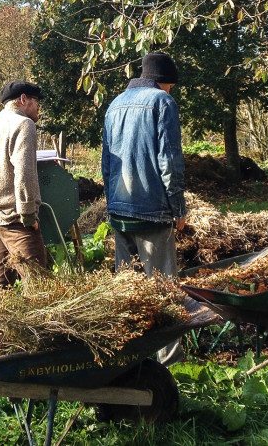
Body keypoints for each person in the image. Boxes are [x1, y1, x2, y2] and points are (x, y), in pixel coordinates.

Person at [101, 52, 187, 365]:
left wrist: (112, 205)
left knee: (127, 289)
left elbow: (107, 163)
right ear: (167, 82)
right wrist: (178, 207)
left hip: (120, 210)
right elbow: (168, 159)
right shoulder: (162, 103)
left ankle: (129, 355)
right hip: (152, 210)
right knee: (163, 289)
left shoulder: (115, 104)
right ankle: (167, 363)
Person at [0, 80, 47, 292]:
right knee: (39, 284)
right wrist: (29, 216)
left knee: (2, 283)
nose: (38, 106)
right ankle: (41, 326)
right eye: (36, 101)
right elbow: (25, 174)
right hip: (16, 220)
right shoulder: (24, 125)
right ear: (23, 100)